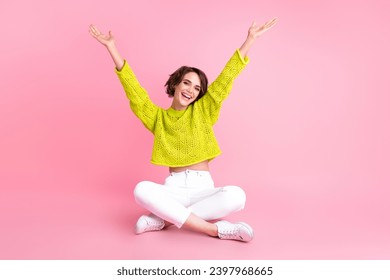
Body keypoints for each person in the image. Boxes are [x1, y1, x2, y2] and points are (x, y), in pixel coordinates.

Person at [89, 18, 277, 242]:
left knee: (237, 196)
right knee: (141, 190)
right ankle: (216, 230)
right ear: (175, 84)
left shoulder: (204, 111)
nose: (191, 90)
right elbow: (135, 93)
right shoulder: (158, 118)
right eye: (187, 83)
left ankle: (163, 220)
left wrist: (250, 40)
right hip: (173, 190)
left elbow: (226, 79)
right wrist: (112, 48)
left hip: (204, 188)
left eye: (197, 88)